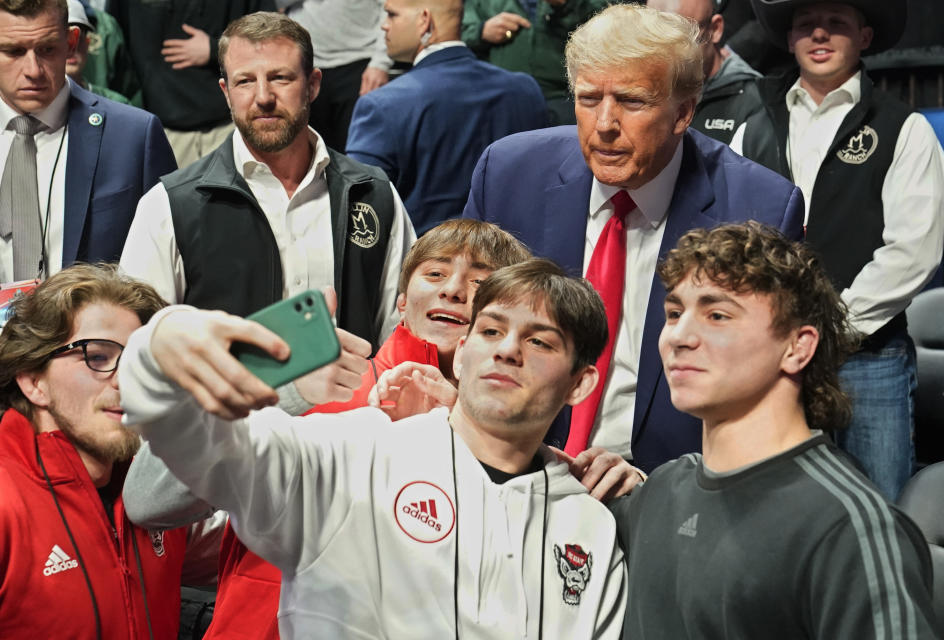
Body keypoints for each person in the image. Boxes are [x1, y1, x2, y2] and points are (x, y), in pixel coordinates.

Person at [119, 258, 626, 638]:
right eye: (490, 330)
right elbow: (193, 450)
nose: (508, 349)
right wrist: (161, 351)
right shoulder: (352, 451)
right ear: (464, 350)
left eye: (540, 342)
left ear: (580, 384)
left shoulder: (593, 524)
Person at [463, 3, 804, 472]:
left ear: (683, 112)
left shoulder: (757, 208)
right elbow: (464, 321)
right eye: (588, 99)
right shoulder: (509, 173)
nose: (604, 124)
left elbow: (766, 392)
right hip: (507, 464)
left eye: (631, 101)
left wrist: (662, 490)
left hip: (663, 485)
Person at [609, 222, 938, 639]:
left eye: (717, 315)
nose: (678, 336)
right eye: (674, 313)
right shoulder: (659, 490)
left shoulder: (851, 526)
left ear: (797, 347)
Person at [731, 0, 944, 501]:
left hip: (867, 359)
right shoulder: (753, 126)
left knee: (875, 507)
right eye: (806, 25)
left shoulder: (905, 129)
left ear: (865, 38)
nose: (820, 35)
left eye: (837, 24)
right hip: (770, 355)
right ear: (789, 40)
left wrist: (829, 330)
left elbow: (913, 250)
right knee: (775, 505)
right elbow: (736, 240)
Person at [120, 11, 414, 349]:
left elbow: (400, 335)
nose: (263, 97)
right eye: (244, 81)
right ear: (226, 92)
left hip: (355, 401)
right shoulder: (168, 205)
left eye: (280, 78)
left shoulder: (373, 194)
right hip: (226, 404)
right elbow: (140, 348)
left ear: (313, 85)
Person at [0, 263, 221, 639]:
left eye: (139, 363)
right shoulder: (7, 505)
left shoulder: (156, 492)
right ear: (34, 381)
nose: (125, 380)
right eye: (98, 357)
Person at [0, 0, 176, 285]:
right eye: (13, 51)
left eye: (47, 49)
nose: (33, 70)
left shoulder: (133, 136)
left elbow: (170, 266)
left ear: (71, 43)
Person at [346, 0, 547, 234]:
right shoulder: (525, 90)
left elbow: (362, 216)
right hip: (514, 261)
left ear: (424, 20)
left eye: (392, 15)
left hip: (426, 262)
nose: (384, 26)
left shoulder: (382, 105)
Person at [109, 0, 277, 167]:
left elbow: (270, 40)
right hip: (162, 129)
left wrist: (215, 49)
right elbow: (114, 40)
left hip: (230, 124)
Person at [461, 0, 610, 125]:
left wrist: (566, 5)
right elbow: (452, 30)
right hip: (502, 97)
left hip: (561, 95)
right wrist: (481, 31)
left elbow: (607, 23)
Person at [280, 0, 392, 153]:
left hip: (359, 62)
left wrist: (381, 62)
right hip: (306, 65)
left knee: (362, 153)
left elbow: (390, 6)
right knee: (312, 155)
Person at [648, 0, 763, 145]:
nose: (668, 50)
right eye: (653, 37)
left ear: (715, 29)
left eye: (683, 36)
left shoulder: (754, 102)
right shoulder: (640, 89)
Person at [64, 0, 130, 104]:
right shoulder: (35, 106)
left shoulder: (116, 103)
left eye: (78, 39)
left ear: (87, 44)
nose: (72, 49)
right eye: (64, 41)